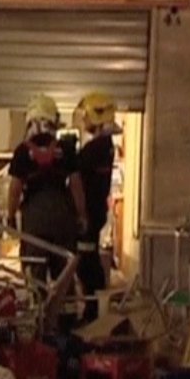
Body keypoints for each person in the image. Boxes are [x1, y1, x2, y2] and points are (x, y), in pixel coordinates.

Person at [7, 94, 88, 288]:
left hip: (34, 221)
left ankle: (39, 315)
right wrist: (82, 215)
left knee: (35, 277)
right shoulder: (66, 149)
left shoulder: (22, 152)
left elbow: (15, 190)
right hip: (63, 217)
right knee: (64, 276)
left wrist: (10, 217)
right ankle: (66, 317)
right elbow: (76, 185)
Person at [73, 92, 121, 324]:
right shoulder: (106, 146)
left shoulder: (95, 149)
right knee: (87, 258)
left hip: (88, 215)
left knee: (86, 262)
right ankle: (94, 308)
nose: (84, 120)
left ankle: (93, 312)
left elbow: (76, 174)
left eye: (86, 115)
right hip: (95, 212)